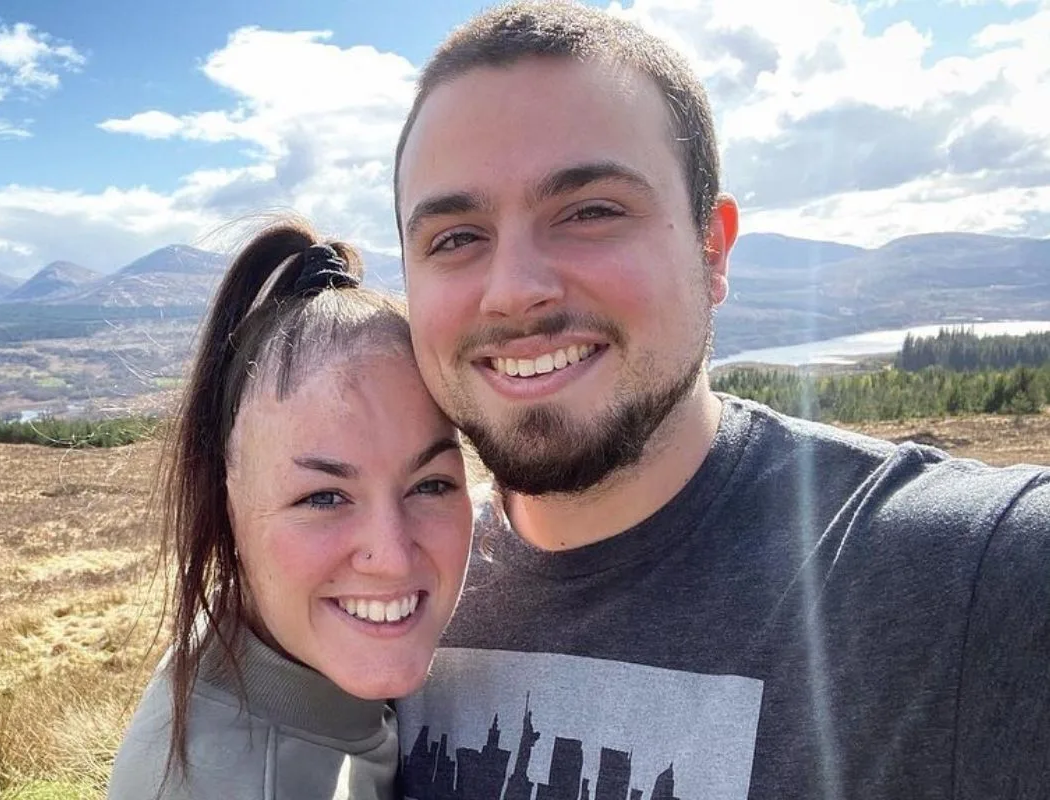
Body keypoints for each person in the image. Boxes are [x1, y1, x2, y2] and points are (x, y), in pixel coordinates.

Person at [390, 3, 1050, 799]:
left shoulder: (973, 578)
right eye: (455, 237)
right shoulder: (386, 600)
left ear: (711, 249)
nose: (514, 290)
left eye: (590, 211)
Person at [107, 219, 475, 799]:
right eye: (323, 497)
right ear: (226, 506)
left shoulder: (263, 645)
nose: (393, 557)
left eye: (430, 485)